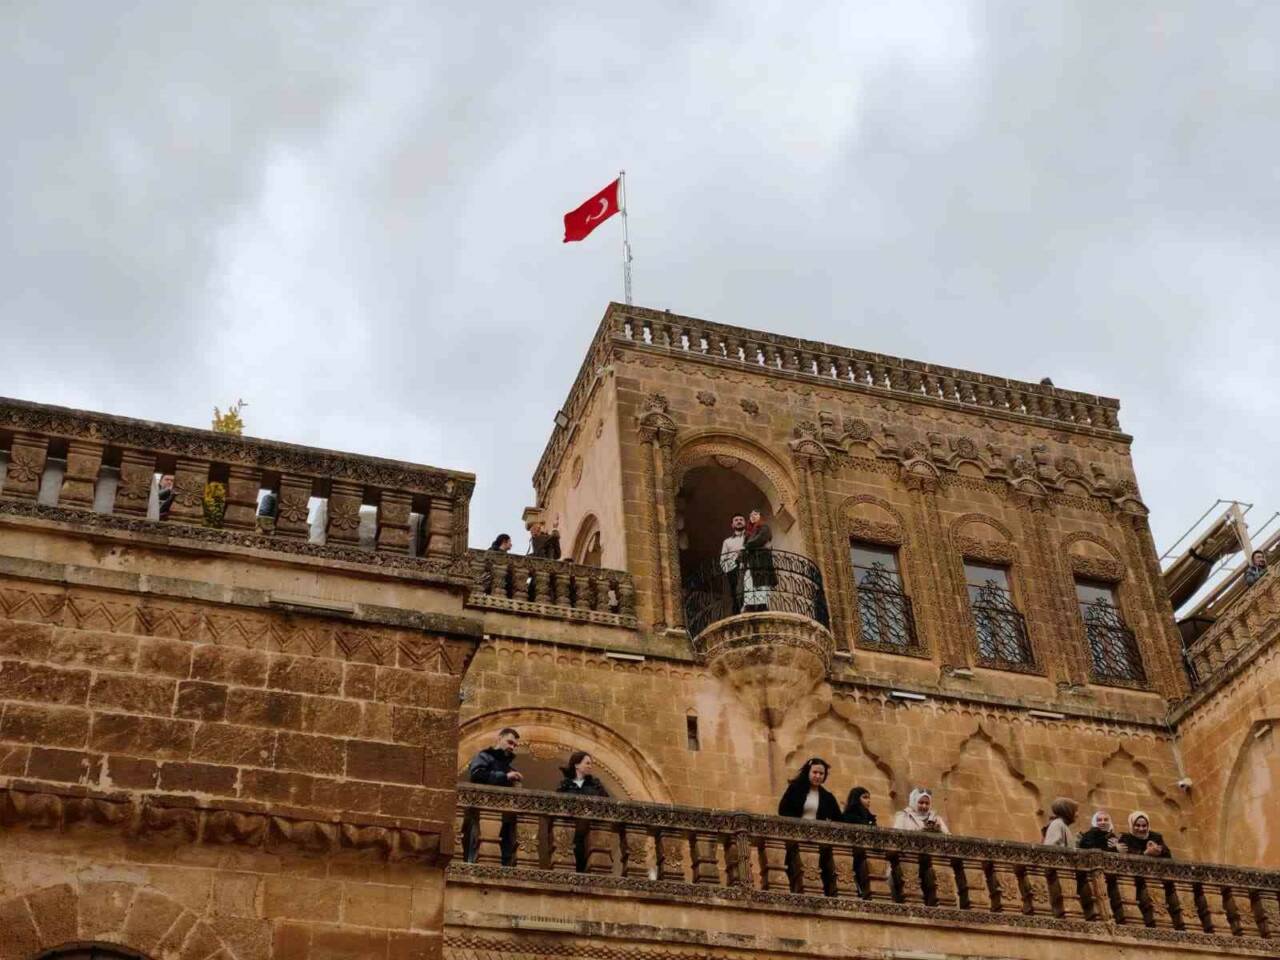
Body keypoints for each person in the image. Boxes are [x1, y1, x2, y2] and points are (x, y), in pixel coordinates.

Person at [465, 728, 523, 863]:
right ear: (499, 739)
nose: (512, 747)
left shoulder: (509, 767)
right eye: (510, 742)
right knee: (479, 850)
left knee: (505, 854)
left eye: (514, 745)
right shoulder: (484, 756)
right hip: (484, 813)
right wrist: (505, 776)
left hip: (505, 816)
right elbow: (477, 775)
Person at [557, 751, 610, 871]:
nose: (590, 766)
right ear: (577, 765)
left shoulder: (596, 785)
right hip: (571, 829)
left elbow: (607, 803)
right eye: (587, 763)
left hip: (591, 830)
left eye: (591, 764)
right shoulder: (565, 786)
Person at [777, 757, 842, 820]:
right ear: (808, 772)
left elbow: (839, 819)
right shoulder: (795, 789)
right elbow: (782, 810)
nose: (818, 776)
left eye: (821, 773)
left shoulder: (828, 797)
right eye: (815, 772)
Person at [742, 508, 776, 612]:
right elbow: (744, 549)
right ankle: (749, 605)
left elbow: (761, 539)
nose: (753, 516)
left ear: (760, 516)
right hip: (751, 562)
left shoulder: (764, 527)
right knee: (749, 583)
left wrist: (747, 545)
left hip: (761, 560)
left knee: (761, 584)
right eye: (751, 515)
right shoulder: (747, 533)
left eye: (755, 514)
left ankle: (762, 604)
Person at [719, 513, 747, 615]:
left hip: (749, 569)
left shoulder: (750, 537)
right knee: (736, 595)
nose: (739, 521)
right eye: (736, 520)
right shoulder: (727, 542)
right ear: (732, 525)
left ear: (745, 523)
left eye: (741, 519)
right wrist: (734, 563)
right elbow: (723, 561)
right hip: (734, 571)